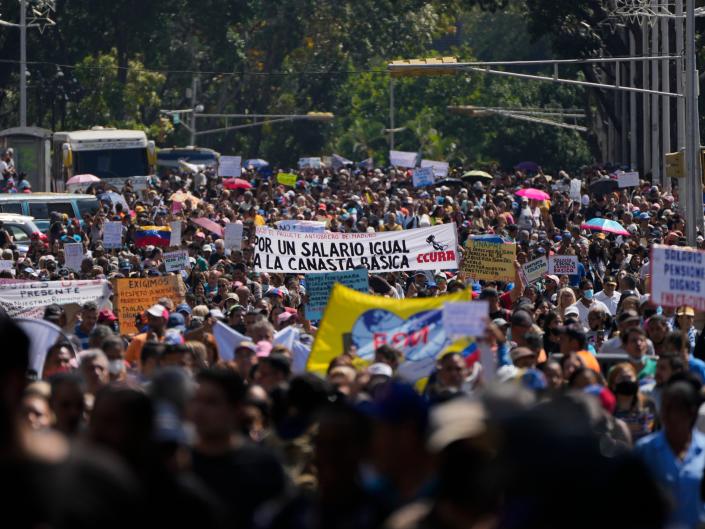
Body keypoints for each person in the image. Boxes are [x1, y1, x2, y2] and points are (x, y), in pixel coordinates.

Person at [190, 369, 286, 528]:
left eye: (211, 402)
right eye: (196, 400)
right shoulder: (178, 463)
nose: (199, 410)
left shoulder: (264, 465)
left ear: (237, 409)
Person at [636, 377, 705, 528]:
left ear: (690, 413)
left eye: (673, 408)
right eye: (664, 407)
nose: (665, 414)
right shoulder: (644, 450)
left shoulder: (703, 450)